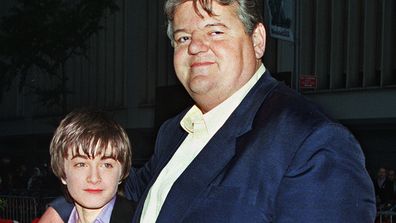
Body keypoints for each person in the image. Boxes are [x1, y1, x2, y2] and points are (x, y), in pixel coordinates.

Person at [40, 0, 376, 222]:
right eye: (184, 38)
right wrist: (61, 209)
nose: (197, 46)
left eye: (215, 31)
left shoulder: (312, 141)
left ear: (257, 40)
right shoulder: (175, 131)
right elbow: (116, 191)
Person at [43, 110, 135, 223]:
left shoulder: (144, 218)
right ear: (62, 172)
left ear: (122, 173)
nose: (94, 178)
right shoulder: (54, 217)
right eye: (81, 164)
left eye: (107, 165)